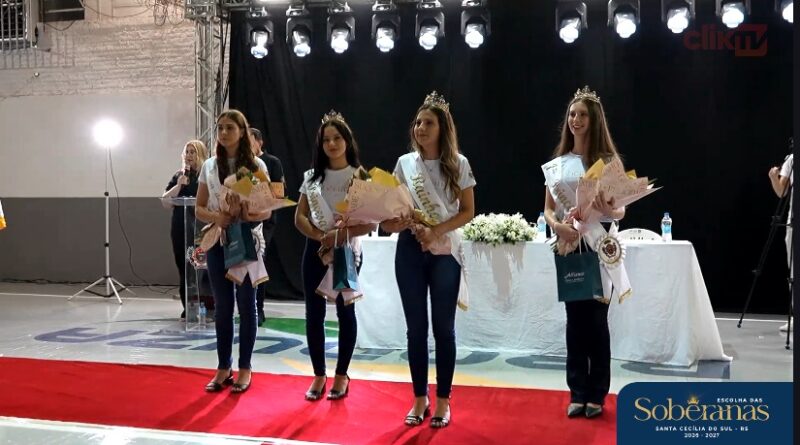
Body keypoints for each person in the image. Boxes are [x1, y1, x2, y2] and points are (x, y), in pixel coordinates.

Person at [381, 92, 476, 428]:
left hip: (444, 249)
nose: (420, 128)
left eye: (428, 123)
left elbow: (468, 211)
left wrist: (435, 230)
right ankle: (419, 397)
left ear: (442, 128)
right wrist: (397, 222)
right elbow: (391, 213)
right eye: (418, 122)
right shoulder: (405, 164)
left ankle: (443, 400)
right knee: (416, 329)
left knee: (443, 329)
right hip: (410, 247)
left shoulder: (459, 164)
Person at [541, 86, 625, 419]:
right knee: (575, 322)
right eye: (572, 114)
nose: (575, 120)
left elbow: (620, 211)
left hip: (600, 247)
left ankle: (597, 392)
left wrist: (610, 208)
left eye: (582, 115)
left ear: (595, 120)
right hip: (569, 247)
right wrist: (556, 226)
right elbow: (548, 209)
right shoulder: (557, 165)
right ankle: (577, 391)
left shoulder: (609, 163)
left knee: (597, 322)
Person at [294, 110, 375, 401]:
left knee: (345, 311)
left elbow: (370, 223)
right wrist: (321, 237)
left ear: (347, 141)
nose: (331, 144)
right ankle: (319, 374)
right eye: (326, 139)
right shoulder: (312, 178)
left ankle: (342, 375)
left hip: (346, 252)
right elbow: (299, 217)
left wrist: (339, 236)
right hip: (316, 251)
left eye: (336, 138)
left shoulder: (359, 176)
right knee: (313, 314)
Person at [196, 110, 271, 394]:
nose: (224, 133)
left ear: (242, 131)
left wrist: (249, 214)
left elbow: (266, 209)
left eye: (230, 127)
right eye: (220, 128)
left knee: (247, 304)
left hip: (247, 240)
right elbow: (199, 208)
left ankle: (245, 366)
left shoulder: (256, 165)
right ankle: (223, 366)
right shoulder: (209, 166)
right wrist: (217, 217)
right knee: (223, 306)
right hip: (219, 240)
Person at [162, 140, 208, 320]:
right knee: (184, 267)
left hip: (200, 227)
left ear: (200, 154)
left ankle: (205, 304)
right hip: (180, 227)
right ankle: (188, 306)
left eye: (193, 152)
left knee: (200, 267)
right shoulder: (179, 175)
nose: (189, 155)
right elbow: (166, 202)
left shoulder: (207, 175)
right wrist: (179, 185)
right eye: (187, 152)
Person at [249, 127, 285, 327]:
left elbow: (279, 191)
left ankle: (259, 307)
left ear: (259, 142)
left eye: (250, 140)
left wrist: (264, 195)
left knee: (259, 259)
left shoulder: (271, 162)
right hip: (245, 218)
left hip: (265, 220)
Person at [769, 152, 793, 332]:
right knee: (794, 271)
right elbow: (781, 191)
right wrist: (773, 177)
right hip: (794, 222)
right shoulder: (792, 159)